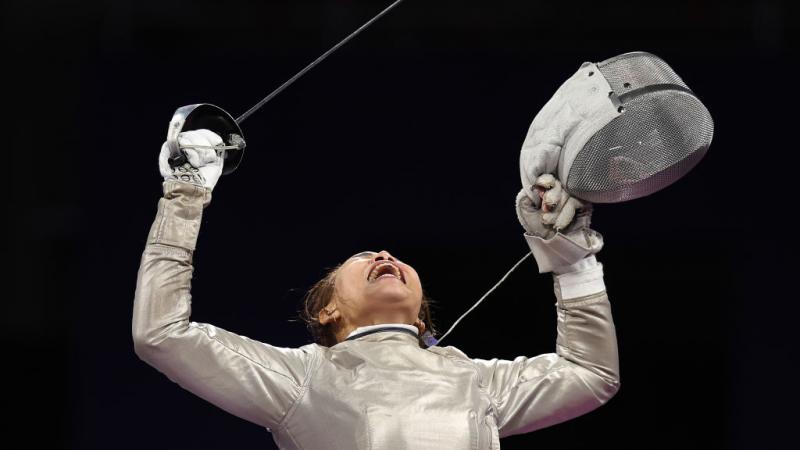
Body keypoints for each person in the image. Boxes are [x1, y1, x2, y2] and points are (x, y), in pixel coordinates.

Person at [132, 129, 620, 449]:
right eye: (363, 259)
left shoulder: (474, 380)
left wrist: (573, 259)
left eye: (392, 258)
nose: (384, 256)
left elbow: (590, 373)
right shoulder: (301, 377)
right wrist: (185, 195)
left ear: (421, 320)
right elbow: (162, 334)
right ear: (325, 313)